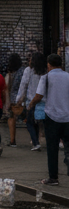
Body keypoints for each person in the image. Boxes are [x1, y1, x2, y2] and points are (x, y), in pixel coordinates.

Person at [30, 53, 69, 186]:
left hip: (52, 117)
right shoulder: (68, 76)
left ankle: (53, 178)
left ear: (49, 65)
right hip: (67, 117)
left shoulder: (45, 78)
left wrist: (31, 104)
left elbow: (39, 95)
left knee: (52, 149)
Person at [17, 52, 47, 151]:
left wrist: (19, 99)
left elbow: (23, 85)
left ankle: (35, 142)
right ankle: (44, 141)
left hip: (32, 101)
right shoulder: (46, 72)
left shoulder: (29, 70)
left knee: (30, 122)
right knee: (42, 122)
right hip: (45, 101)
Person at [5, 53, 26, 148]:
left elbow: (7, 87)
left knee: (11, 117)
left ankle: (12, 140)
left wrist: (7, 100)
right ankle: (35, 139)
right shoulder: (23, 71)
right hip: (23, 98)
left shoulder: (10, 73)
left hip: (12, 98)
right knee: (28, 119)